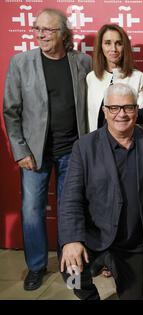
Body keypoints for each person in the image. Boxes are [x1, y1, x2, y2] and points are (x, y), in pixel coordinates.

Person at [3, 8, 91, 291]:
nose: (41, 34)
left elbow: (100, 95)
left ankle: (70, 266)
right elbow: (11, 111)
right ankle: (37, 266)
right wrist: (20, 151)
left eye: (48, 30)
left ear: (64, 34)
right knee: (31, 211)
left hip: (73, 151)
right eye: (37, 28)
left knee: (70, 210)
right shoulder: (21, 62)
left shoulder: (83, 62)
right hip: (34, 154)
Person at [58, 83, 143, 300]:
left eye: (128, 107)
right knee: (71, 273)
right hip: (95, 237)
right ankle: (89, 297)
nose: (122, 114)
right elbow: (70, 198)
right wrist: (71, 240)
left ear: (137, 110)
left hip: (133, 245)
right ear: (105, 111)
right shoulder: (85, 146)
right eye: (114, 108)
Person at [87, 24, 143, 132]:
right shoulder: (91, 78)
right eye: (107, 43)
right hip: (96, 143)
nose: (113, 49)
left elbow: (139, 117)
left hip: (127, 142)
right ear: (101, 46)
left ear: (125, 47)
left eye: (118, 43)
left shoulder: (138, 77)